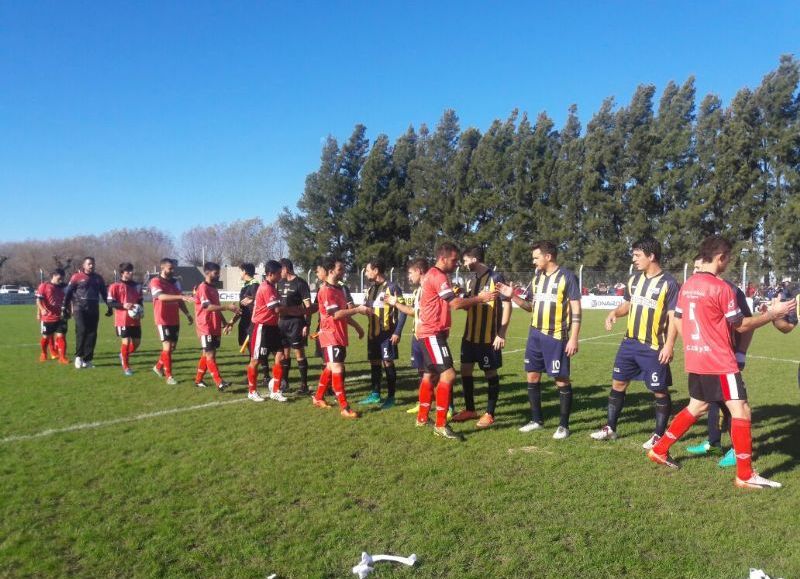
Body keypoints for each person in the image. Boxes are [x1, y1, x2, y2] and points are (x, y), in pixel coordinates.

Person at [647, 236, 795, 489]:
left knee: (698, 405)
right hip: (719, 360)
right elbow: (742, 324)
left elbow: (679, 319)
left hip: (697, 357)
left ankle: (659, 449)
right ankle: (745, 475)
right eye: (728, 259)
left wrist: (696, 341)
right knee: (742, 410)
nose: (728, 264)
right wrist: (773, 314)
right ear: (721, 257)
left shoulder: (688, 284)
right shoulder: (722, 287)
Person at [591, 238, 679, 448]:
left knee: (659, 390)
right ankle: (610, 428)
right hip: (629, 343)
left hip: (654, 346)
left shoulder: (669, 283)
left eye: (638, 255)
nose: (634, 259)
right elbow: (628, 305)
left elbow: (674, 317)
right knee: (618, 383)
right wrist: (614, 313)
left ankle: (659, 435)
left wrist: (669, 345)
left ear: (651, 256)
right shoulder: (633, 280)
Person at [497, 240, 581, 440]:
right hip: (535, 335)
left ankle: (563, 425)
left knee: (560, 379)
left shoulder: (567, 277)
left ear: (548, 256)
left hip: (556, 336)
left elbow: (577, 311)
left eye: (536, 257)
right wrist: (512, 296)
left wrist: (574, 338)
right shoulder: (537, 279)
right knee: (532, 376)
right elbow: (530, 307)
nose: (533, 261)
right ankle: (536, 420)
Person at [412, 242, 497, 440]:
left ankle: (422, 417)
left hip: (429, 332)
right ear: (443, 258)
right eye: (453, 260)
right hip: (432, 333)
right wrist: (480, 298)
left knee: (429, 375)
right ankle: (440, 424)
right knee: (449, 375)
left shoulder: (432, 275)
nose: (456, 263)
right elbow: (456, 304)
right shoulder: (438, 276)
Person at [685, 256, 754, 467]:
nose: (696, 272)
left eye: (699, 267)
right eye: (694, 268)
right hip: (706, 356)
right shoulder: (695, 289)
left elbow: (747, 324)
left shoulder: (730, 290)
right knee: (713, 401)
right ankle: (714, 442)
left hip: (725, 357)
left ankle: (737, 450)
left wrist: (740, 353)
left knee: (734, 404)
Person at [451, 247, 512, 428]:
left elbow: (507, 305)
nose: (464, 264)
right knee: (466, 370)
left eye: (466, 260)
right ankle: (470, 410)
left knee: (490, 373)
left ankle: (489, 413)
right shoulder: (472, 280)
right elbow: (470, 305)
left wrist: (501, 333)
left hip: (487, 337)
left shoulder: (495, 278)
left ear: (475, 258)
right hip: (469, 336)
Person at [247, 260, 306, 402]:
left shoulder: (273, 286)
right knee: (255, 360)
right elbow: (277, 309)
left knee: (280, 356)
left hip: (273, 327)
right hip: (261, 327)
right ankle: (252, 391)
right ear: (269, 274)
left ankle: (275, 390)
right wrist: (297, 310)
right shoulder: (266, 288)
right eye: (278, 273)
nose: (281, 275)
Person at [358, 259, 407, 409]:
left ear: (376, 270)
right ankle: (375, 394)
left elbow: (403, 311)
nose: (366, 273)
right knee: (374, 362)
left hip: (387, 334)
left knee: (388, 362)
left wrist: (397, 332)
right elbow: (367, 307)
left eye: (367, 270)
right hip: (373, 334)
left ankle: (391, 397)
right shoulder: (371, 288)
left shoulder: (392, 287)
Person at [391, 258, 437, 415]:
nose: (409, 276)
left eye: (410, 273)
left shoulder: (431, 289)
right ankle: (423, 402)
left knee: (436, 372)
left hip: (428, 336)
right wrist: (396, 303)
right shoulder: (418, 291)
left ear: (419, 271)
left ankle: (448, 406)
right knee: (421, 371)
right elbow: (414, 312)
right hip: (416, 336)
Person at [193, 262, 239, 390]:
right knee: (210, 354)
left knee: (206, 354)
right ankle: (219, 382)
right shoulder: (203, 288)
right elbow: (208, 307)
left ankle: (198, 380)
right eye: (216, 273)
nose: (218, 275)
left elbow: (216, 309)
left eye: (218, 273)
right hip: (205, 326)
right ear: (207, 272)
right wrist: (228, 307)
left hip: (214, 325)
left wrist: (224, 323)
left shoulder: (213, 288)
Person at [149, 258, 194, 385]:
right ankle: (169, 376)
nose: (173, 270)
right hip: (162, 318)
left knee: (172, 348)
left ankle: (158, 367)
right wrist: (181, 296)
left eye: (173, 268)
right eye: (170, 268)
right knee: (167, 347)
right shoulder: (155, 281)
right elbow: (161, 297)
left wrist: (187, 314)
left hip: (174, 318)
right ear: (162, 268)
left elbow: (180, 301)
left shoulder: (176, 282)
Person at [62, 256, 108, 369]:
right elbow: (68, 293)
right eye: (89, 264)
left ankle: (88, 360)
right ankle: (78, 357)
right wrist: (64, 306)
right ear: (84, 265)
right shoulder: (76, 277)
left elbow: (104, 294)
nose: (91, 265)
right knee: (81, 330)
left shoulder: (98, 278)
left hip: (94, 308)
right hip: (79, 308)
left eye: (93, 263)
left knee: (92, 334)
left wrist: (109, 306)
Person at [276, 258, 313, 394]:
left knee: (298, 352)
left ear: (286, 268)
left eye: (281, 270)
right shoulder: (279, 283)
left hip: (296, 322)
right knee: (284, 353)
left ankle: (304, 385)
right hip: (282, 322)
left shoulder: (300, 283)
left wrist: (307, 324)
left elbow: (308, 307)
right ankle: (285, 382)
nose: (279, 273)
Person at [106, 263, 144, 376]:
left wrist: (141, 310)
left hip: (135, 319)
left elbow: (140, 301)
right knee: (126, 342)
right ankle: (126, 366)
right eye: (128, 271)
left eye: (131, 270)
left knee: (136, 343)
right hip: (122, 319)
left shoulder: (137, 286)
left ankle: (123, 355)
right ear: (122, 273)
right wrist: (123, 305)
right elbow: (110, 302)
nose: (131, 273)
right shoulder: (115, 286)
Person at [36, 268, 69, 364]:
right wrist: (41, 310)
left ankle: (62, 357)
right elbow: (38, 300)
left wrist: (69, 310)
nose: (61, 279)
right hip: (48, 317)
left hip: (61, 316)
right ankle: (44, 353)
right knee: (46, 337)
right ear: (54, 275)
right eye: (60, 277)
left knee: (61, 336)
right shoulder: (44, 286)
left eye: (63, 277)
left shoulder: (63, 287)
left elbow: (68, 299)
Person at [224, 263, 259, 353]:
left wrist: (253, 299)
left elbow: (259, 302)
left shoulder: (254, 285)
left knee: (254, 348)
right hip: (244, 322)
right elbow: (243, 309)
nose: (239, 273)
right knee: (249, 348)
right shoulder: (245, 286)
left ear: (245, 272)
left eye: (240, 271)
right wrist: (232, 321)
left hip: (252, 322)